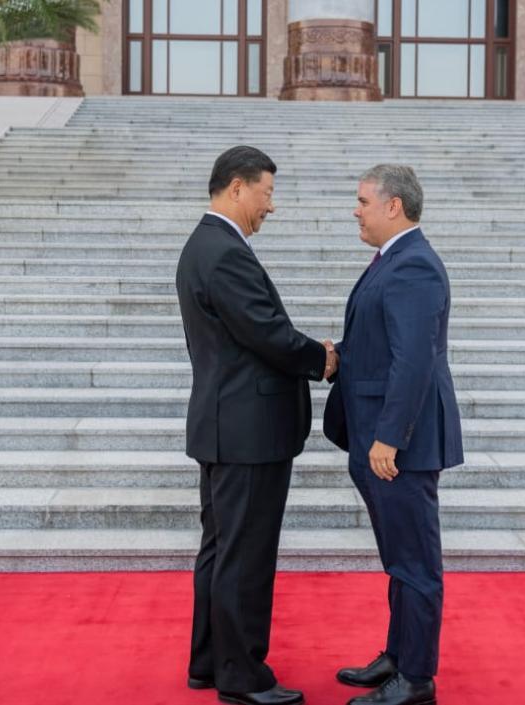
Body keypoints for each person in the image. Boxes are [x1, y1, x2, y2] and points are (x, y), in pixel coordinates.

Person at [175, 145, 338, 705]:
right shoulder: (223, 252)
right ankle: (241, 677)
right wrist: (322, 358)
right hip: (246, 431)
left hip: (227, 425)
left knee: (221, 549)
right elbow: (265, 332)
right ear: (237, 187)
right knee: (244, 554)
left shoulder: (208, 245)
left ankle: (208, 661)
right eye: (267, 193)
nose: (271, 206)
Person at [323, 164, 464, 705]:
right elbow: (384, 344)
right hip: (376, 439)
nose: (354, 210)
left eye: (362, 201)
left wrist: (390, 438)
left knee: (416, 561)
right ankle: (398, 655)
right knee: (398, 557)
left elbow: (413, 361)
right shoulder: (392, 260)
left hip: (397, 445)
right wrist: (339, 358)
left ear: (393, 206)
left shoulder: (414, 267)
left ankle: (418, 679)